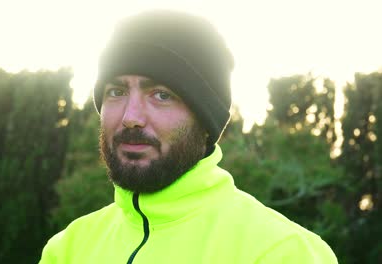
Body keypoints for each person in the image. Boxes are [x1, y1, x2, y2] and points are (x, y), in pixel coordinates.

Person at [39, 10, 338, 264]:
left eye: (161, 95)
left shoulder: (283, 252)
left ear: (206, 119)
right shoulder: (68, 249)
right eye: (116, 92)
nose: (131, 116)